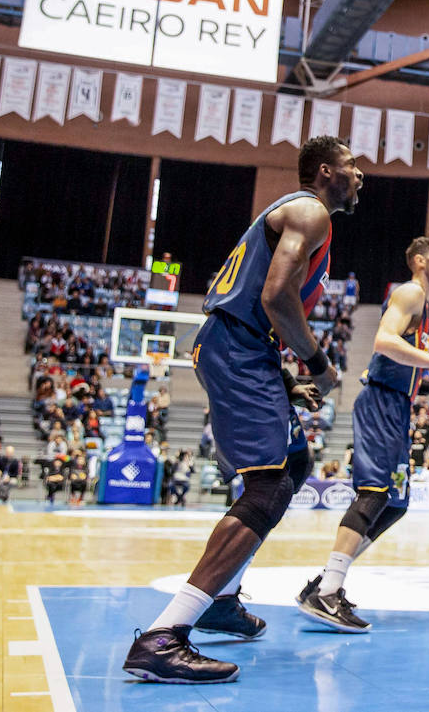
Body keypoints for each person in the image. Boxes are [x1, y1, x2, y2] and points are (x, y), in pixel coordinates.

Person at [122, 136, 361, 684]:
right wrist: (317, 366)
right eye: (353, 165)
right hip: (239, 348)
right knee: (268, 486)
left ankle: (222, 601)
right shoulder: (310, 210)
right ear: (326, 172)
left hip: (243, 349)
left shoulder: (295, 216)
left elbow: (254, 297)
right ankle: (165, 636)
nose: (360, 175)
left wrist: (280, 379)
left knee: (294, 466)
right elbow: (276, 298)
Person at [299, 236, 429, 633]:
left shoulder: (423, 306)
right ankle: (327, 591)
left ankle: (325, 583)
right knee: (375, 493)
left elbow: (400, 366)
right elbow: (383, 342)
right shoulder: (410, 292)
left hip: (397, 402)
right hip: (380, 403)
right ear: (419, 261)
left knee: (395, 503)